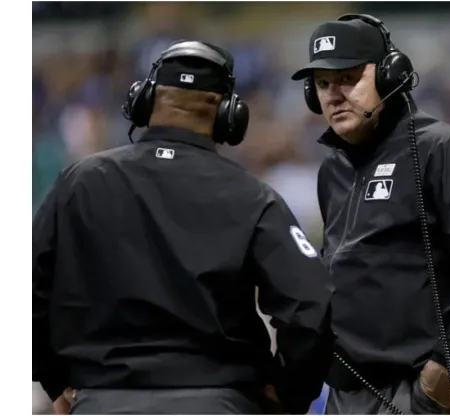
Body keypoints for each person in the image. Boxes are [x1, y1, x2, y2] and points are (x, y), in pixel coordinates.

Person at [32, 40, 335, 415]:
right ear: (228, 114)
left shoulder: (79, 183)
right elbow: (312, 305)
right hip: (217, 402)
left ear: (144, 101)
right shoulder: (252, 195)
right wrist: (290, 392)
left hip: (102, 400)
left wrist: (52, 377)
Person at [291, 14, 450, 415]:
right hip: (346, 391)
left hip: (417, 387)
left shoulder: (442, 149)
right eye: (322, 84)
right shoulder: (333, 168)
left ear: (390, 76)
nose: (333, 94)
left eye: (349, 79)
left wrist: (442, 365)